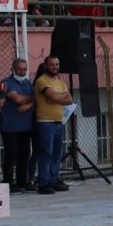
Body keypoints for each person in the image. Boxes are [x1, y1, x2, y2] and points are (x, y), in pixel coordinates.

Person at [34, 56, 73, 195]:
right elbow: (54, 97)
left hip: (58, 122)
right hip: (45, 122)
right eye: (52, 64)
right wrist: (59, 97)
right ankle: (43, 183)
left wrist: (59, 98)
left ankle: (53, 180)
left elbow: (70, 99)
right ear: (46, 65)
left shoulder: (60, 82)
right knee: (46, 153)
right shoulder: (42, 81)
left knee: (56, 153)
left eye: (57, 64)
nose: (55, 67)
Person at [0, 58, 35, 194]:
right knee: (11, 154)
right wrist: (31, 98)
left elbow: (34, 100)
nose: (22, 71)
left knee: (25, 154)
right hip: (10, 126)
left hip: (25, 126)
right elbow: (17, 99)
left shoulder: (27, 83)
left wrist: (28, 104)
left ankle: (22, 182)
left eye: (24, 69)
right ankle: (8, 183)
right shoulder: (6, 82)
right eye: (19, 68)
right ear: (13, 68)